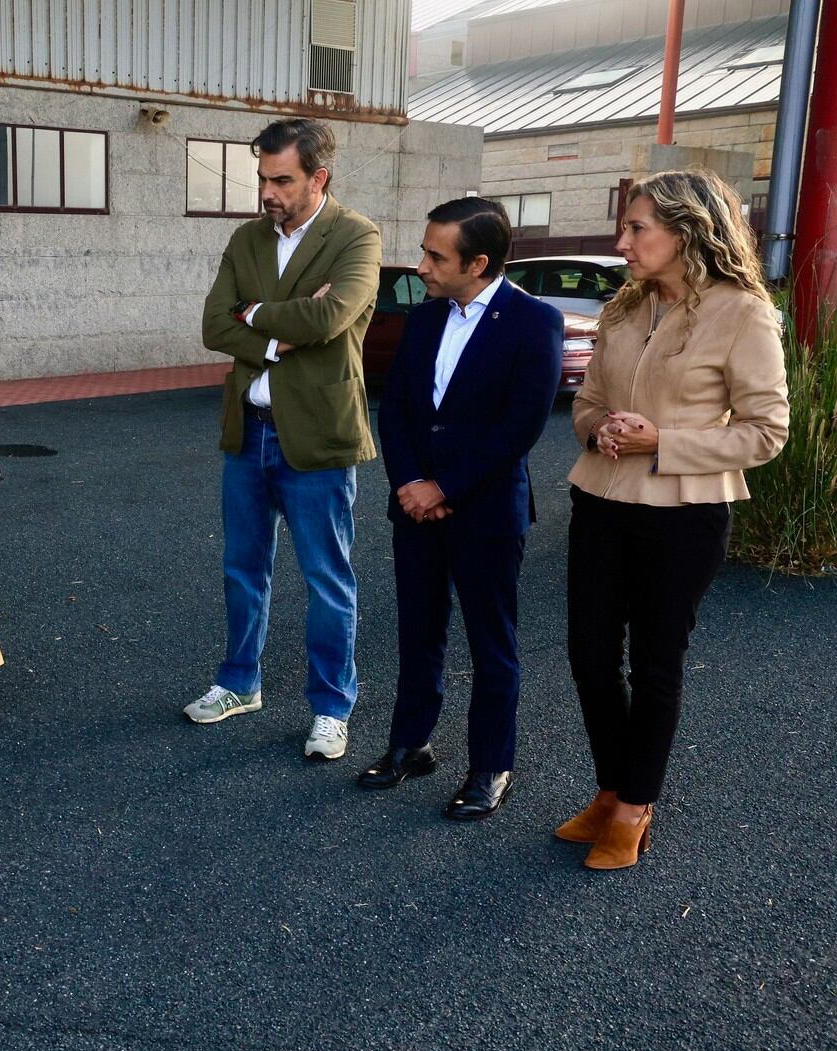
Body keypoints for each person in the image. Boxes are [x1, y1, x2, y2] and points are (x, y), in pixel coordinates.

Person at [557, 169, 788, 869]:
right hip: (599, 501)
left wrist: (665, 441)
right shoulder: (624, 308)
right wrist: (600, 428)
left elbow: (767, 430)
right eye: (624, 227)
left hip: (685, 515)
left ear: (687, 231)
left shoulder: (743, 311)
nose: (621, 241)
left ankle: (632, 806)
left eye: (636, 229)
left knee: (657, 663)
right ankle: (609, 788)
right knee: (590, 656)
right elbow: (585, 404)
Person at [356, 198, 563, 820]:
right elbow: (395, 409)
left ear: (479, 262)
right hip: (415, 506)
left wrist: (442, 487)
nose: (420, 265)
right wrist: (411, 483)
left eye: (433, 255)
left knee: (490, 640)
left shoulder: (534, 322)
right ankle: (410, 744)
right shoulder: (425, 319)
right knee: (418, 630)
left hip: (485, 511)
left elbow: (520, 427)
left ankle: (491, 765)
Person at [186, 117, 381, 761]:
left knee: (328, 579)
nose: (268, 192)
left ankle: (331, 707)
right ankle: (240, 683)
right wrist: (277, 333)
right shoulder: (245, 240)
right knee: (243, 569)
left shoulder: (356, 236)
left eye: (282, 180)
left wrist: (256, 314)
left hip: (319, 438)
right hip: (249, 433)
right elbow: (215, 324)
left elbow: (331, 316)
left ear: (317, 177)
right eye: (263, 178)